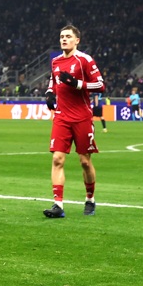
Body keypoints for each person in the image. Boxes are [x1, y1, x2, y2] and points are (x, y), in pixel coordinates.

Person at [44, 24, 103, 218]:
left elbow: (101, 85)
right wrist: (49, 93)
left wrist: (77, 84)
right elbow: (53, 81)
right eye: (61, 36)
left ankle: (90, 199)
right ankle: (58, 205)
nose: (64, 39)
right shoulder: (56, 62)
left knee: (85, 161)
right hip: (61, 116)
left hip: (82, 117)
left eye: (68, 36)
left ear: (77, 40)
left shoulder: (84, 60)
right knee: (57, 158)